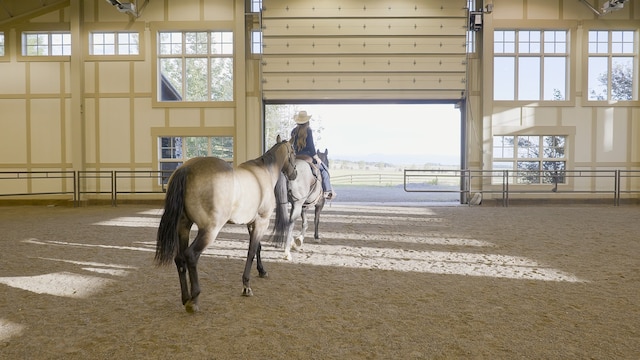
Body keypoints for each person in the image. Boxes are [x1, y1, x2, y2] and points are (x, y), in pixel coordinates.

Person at [291, 110, 336, 200]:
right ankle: (327, 191)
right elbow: (311, 147)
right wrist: (316, 158)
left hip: (296, 156)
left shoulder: (293, 131)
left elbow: (292, 145)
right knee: (324, 170)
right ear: (307, 121)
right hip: (307, 157)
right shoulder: (308, 130)